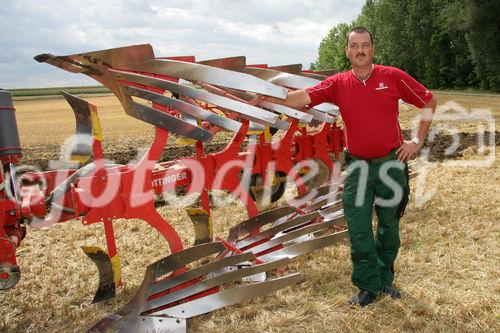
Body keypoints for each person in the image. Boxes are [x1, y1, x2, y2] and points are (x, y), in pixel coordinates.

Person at [263, 26, 437, 306]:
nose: (359, 50)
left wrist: (416, 140)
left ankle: (384, 280)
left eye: (365, 45)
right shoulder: (338, 83)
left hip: (391, 165)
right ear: (347, 51)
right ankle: (367, 287)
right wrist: (266, 98)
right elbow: (302, 98)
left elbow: (428, 100)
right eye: (354, 46)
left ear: (373, 49)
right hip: (358, 168)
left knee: (389, 227)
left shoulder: (392, 77)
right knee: (358, 228)